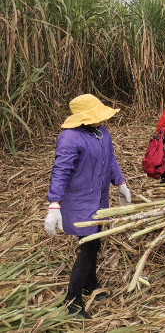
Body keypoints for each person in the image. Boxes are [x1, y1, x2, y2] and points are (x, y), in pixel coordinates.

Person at [44, 94, 132, 319]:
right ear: (82, 117)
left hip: (99, 197)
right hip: (80, 200)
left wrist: (120, 183)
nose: (102, 119)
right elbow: (61, 171)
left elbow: (110, 159)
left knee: (95, 241)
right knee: (89, 246)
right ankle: (72, 300)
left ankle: (90, 283)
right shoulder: (70, 137)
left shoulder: (101, 132)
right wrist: (54, 203)